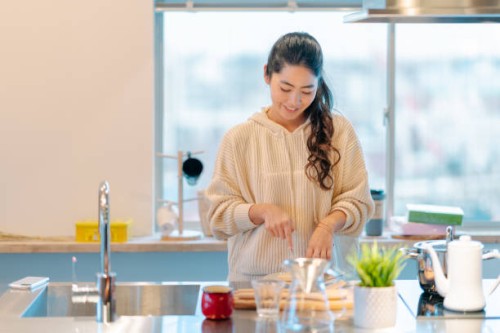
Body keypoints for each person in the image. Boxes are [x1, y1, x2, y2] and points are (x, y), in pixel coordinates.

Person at [206, 32, 374, 282]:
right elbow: (218, 218)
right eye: (285, 88)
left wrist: (329, 225)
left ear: (319, 84)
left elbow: (359, 202)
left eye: (307, 90)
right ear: (266, 74)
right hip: (254, 287)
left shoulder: (338, 132)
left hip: (324, 284)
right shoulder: (238, 139)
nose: (295, 101)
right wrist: (260, 211)